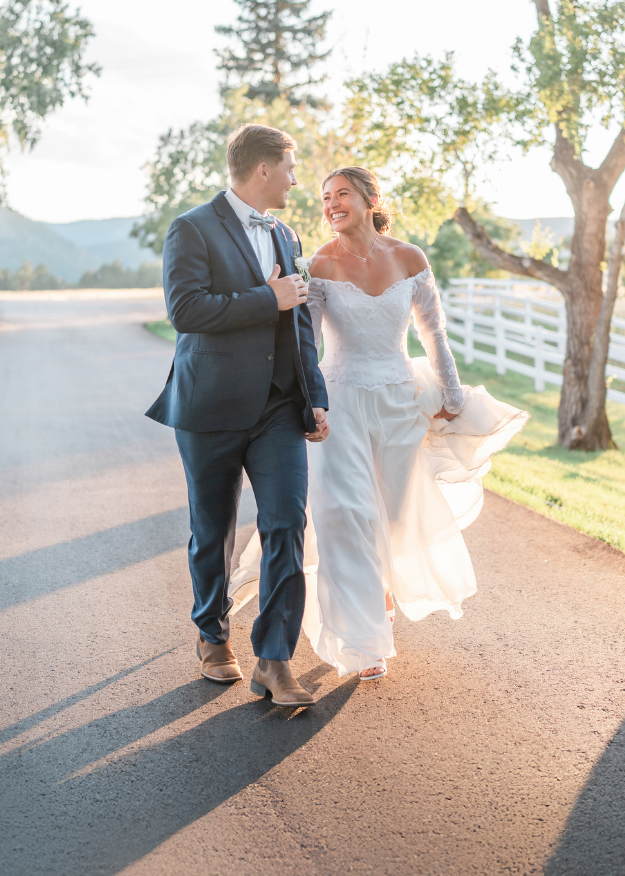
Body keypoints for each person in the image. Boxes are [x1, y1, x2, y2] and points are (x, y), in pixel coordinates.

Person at [228, 166, 528, 681]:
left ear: (369, 200)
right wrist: (307, 402)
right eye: (325, 197)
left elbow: (433, 332)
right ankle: (366, 644)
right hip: (339, 402)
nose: (331, 203)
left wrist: (451, 394)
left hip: (400, 400)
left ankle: (381, 591)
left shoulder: (409, 257)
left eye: (342, 193)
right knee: (346, 515)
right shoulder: (317, 262)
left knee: (391, 516)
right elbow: (307, 343)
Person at [146, 123, 329, 708]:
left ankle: (274, 660)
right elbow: (186, 310)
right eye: (291, 169)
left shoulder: (286, 233)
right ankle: (212, 634)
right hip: (211, 405)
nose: (297, 180)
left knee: (285, 523)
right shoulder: (191, 228)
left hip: (278, 407)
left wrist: (314, 395)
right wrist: (263, 299)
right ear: (263, 170)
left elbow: (298, 320)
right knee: (214, 528)